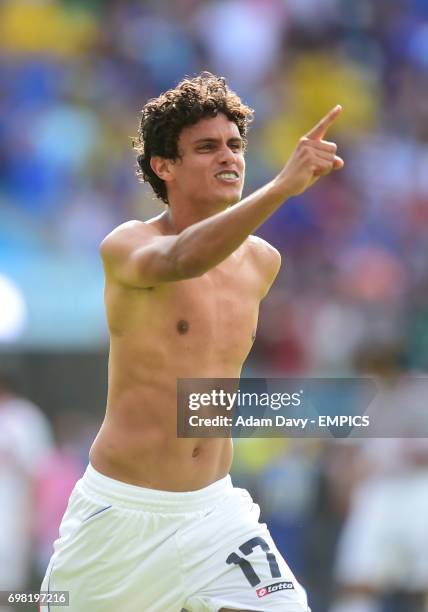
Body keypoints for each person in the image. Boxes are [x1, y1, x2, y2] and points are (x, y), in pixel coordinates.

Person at [41, 72, 343, 611]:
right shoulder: (128, 245)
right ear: (164, 167)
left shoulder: (262, 261)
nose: (228, 157)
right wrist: (281, 187)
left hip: (216, 512)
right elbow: (185, 258)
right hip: (122, 516)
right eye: (206, 148)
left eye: (233, 145)